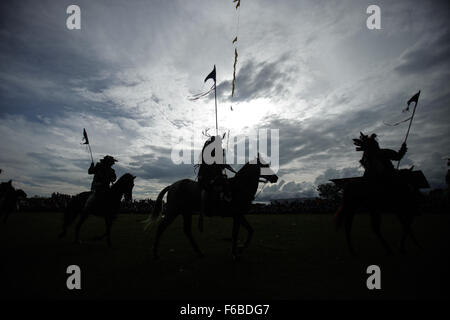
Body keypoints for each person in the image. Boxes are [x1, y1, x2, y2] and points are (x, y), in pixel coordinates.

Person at [197, 136, 235, 231]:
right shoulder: (207, 151)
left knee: (225, 182)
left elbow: (219, 165)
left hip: (215, 175)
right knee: (209, 188)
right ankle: (206, 209)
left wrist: (224, 164)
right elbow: (210, 164)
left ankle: (225, 202)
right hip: (205, 175)